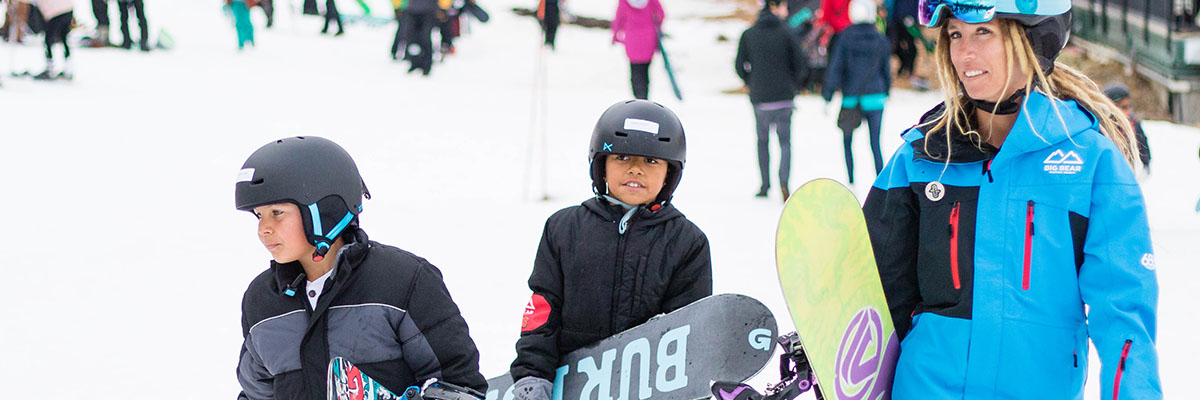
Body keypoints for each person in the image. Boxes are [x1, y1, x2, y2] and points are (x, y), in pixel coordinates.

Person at [863, 0, 1161, 398]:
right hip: (926, 387)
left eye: (983, 32)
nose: (964, 53)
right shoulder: (923, 156)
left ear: (1030, 39)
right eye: (955, 35)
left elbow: (1124, 314)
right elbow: (876, 289)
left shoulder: (1089, 161)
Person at [234, 136, 486, 399]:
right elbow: (256, 393)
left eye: (277, 212)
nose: (264, 229)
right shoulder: (263, 300)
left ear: (323, 210)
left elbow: (458, 385)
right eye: (259, 215)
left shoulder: (402, 282)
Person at [509, 100, 713, 400]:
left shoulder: (687, 242)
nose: (635, 169)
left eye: (651, 161)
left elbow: (688, 330)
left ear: (670, 173)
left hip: (647, 387)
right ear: (600, 164)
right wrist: (532, 375)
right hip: (571, 381)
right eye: (622, 156)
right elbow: (543, 308)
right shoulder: (564, 228)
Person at [735, 0, 807, 199]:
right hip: (784, 97)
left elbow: (739, 65)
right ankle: (784, 182)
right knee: (785, 142)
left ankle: (765, 185)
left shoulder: (748, 34)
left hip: (760, 98)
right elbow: (801, 65)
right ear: (774, 8)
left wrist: (752, 82)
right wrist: (793, 84)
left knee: (762, 141)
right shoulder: (788, 33)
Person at [823, 0, 890, 184]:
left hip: (851, 97)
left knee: (847, 141)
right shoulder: (880, 38)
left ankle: (851, 180)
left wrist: (828, 93)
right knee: (875, 143)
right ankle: (881, 181)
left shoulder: (845, 37)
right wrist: (887, 91)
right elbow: (886, 69)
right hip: (876, 97)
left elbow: (836, 67)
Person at [612, 0, 664, 100]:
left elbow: (619, 18)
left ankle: (638, 95)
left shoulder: (624, 1)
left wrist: (615, 35)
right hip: (648, 38)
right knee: (645, 70)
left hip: (632, 39)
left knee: (635, 70)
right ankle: (644, 95)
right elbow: (661, 14)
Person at [1103, 82, 1152, 173]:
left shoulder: (1132, 123)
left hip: (1128, 170)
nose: (1128, 111)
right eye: (1123, 107)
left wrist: (1146, 162)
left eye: (1129, 106)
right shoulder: (1102, 127)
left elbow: (1142, 142)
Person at [33, 0, 72, 80]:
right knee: (64, 39)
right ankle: (68, 68)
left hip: (55, 12)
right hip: (68, 8)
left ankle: (49, 68)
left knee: (48, 40)